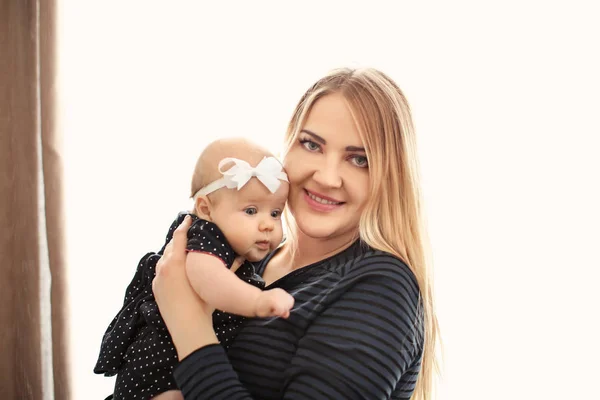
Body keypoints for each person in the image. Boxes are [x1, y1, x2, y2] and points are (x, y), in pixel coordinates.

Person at [152, 67, 440, 400]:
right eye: (312, 145)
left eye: (359, 159)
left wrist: (187, 322)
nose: (327, 177)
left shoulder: (382, 289)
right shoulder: (251, 257)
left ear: (390, 177)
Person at [94, 139, 295, 400]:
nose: (267, 225)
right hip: (159, 367)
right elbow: (207, 278)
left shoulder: (238, 246)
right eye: (251, 210)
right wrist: (256, 301)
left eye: (275, 213)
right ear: (205, 209)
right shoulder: (205, 236)